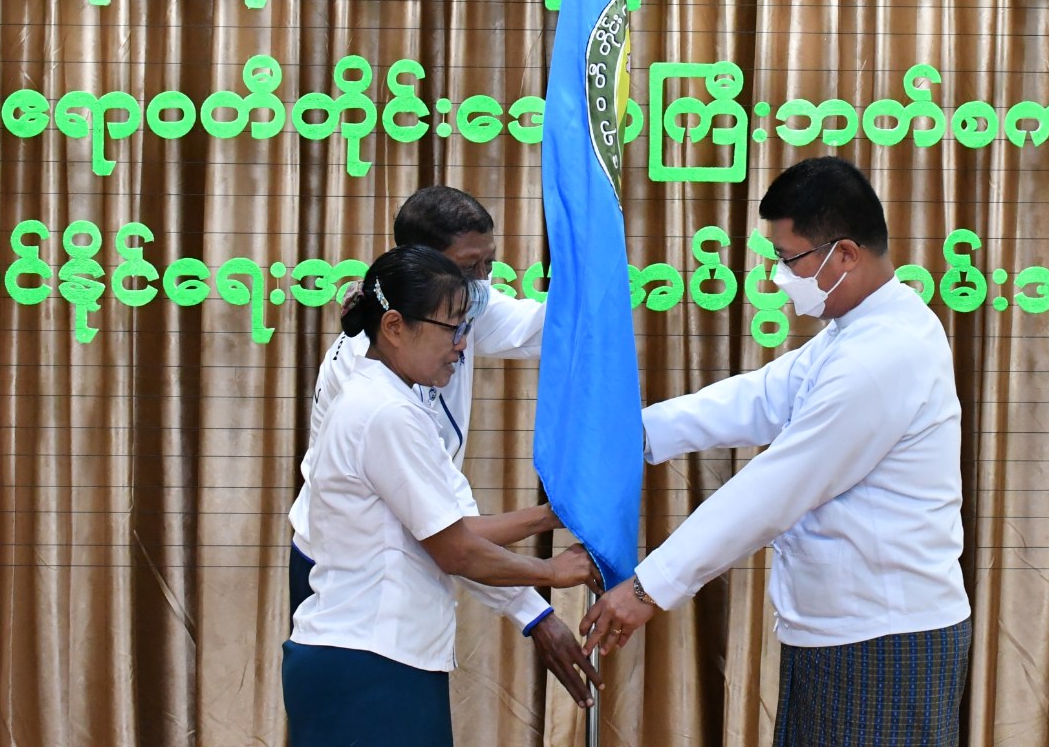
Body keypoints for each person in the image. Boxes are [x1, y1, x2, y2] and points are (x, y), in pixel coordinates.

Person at [581, 156, 972, 746]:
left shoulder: (884, 354)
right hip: (837, 631)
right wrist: (631, 436)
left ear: (845, 254)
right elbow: (758, 397)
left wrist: (649, 586)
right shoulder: (854, 333)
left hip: (883, 638)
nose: (781, 276)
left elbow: (776, 488)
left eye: (790, 259)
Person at [288, 185, 599, 706]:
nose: (483, 283)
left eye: (489, 264)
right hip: (352, 578)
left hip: (411, 566)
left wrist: (596, 275)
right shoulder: (377, 385)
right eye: (469, 267)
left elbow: (548, 330)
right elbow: (452, 534)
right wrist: (536, 609)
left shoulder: (451, 311)